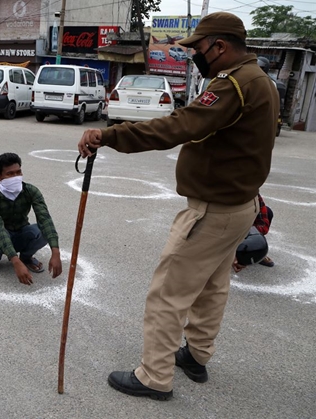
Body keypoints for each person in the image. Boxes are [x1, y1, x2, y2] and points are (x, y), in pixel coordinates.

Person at [77, 12, 279, 400]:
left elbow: (178, 126)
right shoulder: (260, 81)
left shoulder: (233, 84)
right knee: (212, 287)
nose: (193, 57)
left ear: (219, 46)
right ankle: (196, 356)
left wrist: (109, 135)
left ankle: (154, 376)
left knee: (168, 294)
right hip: (241, 205)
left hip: (214, 211)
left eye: (198, 49)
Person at [0, 153, 63, 285]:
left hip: (21, 231)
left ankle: (26, 257)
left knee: (43, 230)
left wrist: (56, 251)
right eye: (10, 174)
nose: (16, 177)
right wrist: (15, 261)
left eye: (18, 172)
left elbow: (45, 219)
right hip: (0, 234)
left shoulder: (31, 191)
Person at [233, 194, 274, 272]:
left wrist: (249, 232)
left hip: (242, 227)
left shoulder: (252, 193)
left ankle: (253, 251)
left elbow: (263, 225)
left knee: (268, 211)